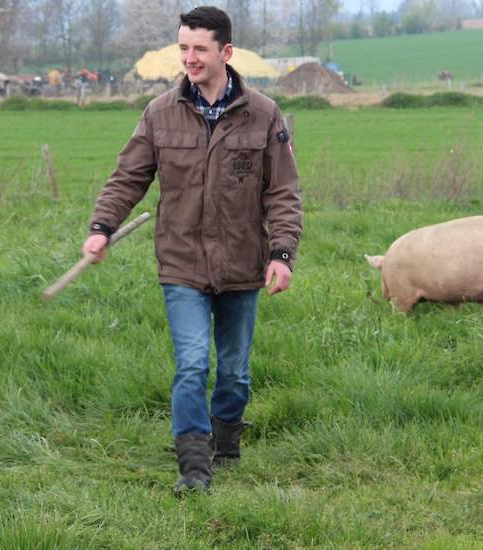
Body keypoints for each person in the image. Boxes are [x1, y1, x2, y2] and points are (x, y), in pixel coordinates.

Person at [82, 6, 302, 494]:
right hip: (181, 264)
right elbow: (128, 177)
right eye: (183, 48)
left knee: (235, 374)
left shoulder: (264, 114)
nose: (189, 58)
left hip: (244, 264)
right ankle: (194, 467)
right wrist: (102, 226)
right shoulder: (160, 113)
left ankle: (226, 443)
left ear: (226, 51)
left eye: (199, 48)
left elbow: (283, 193)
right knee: (192, 364)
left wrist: (281, 255)